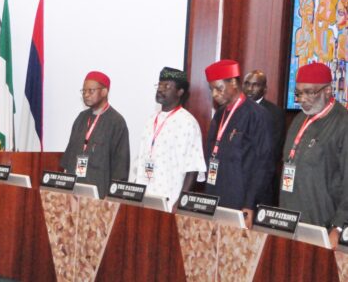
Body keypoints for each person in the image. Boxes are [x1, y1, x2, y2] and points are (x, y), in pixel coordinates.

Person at [279, 62, 348, 249]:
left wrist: (338, 227)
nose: (302, 99)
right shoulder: (299, 120)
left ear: (328, 90)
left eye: (309, 92)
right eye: (299, 93)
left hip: (323, 227)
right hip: (289, 222)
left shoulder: (343, 123)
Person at [203, 60, 274, 228]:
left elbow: (264, 164)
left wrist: (249, 204)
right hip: (216, 194)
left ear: (234, 83)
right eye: (211, 89)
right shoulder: (219, 115)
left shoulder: (257, 115)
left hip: (241, 200)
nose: (214, 94)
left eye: (218, 88)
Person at [133, 67, 206, 211]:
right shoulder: (150, 120)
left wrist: (180, 201)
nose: (160, 89)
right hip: (144, 196)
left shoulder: (188, 123)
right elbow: (142, 159)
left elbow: (193, 168)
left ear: (180, 92)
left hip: (169, 199)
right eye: (159, 85)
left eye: (167, 86)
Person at [60, 71, 130, 198]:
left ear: (104, 92)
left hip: (99, 198)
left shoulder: (116, 122)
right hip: (73, 193)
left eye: (91, 91)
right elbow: (68, 157)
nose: (86, 95)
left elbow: (120, 168)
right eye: (84, 91)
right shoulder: (81, 118)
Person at [242, 70, 286, 159]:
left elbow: (274, 149)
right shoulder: (236, 109)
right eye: (247, 84)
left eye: (256, 85)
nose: (250, 88)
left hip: (259, 168)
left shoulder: (275, 113)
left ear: (264, 89)